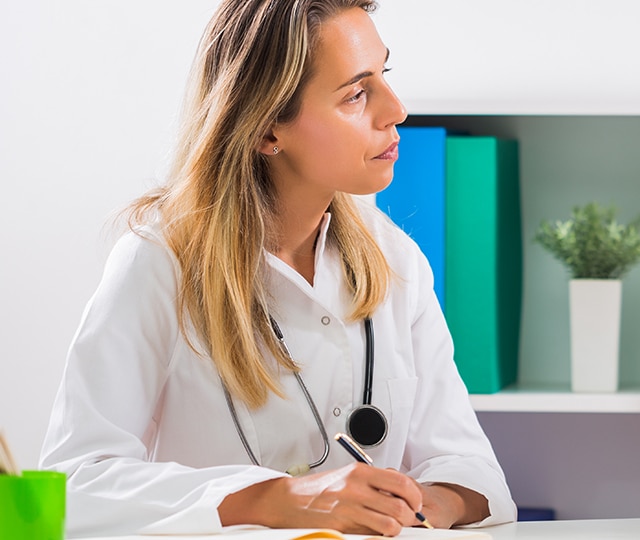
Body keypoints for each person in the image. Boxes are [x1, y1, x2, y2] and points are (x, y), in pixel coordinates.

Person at [39, 0, 516, 536]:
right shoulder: (159, 263)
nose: (397, 110)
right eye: (357, 94)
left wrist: (426, 503)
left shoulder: (396, 261)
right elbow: (72, 486)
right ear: (268, 130)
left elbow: (474, 474)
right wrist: (276, 500)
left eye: (385, 75)